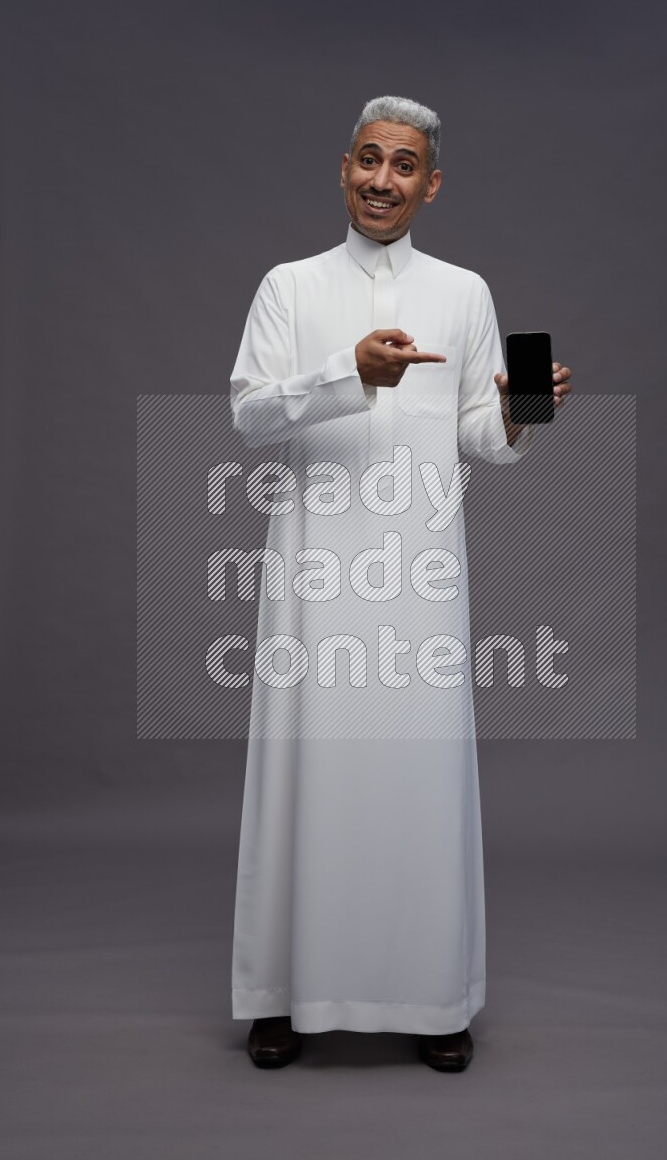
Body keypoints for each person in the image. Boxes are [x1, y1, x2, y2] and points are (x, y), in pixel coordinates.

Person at [229, 95, 572, 1072]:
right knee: (303, 771)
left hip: (419, 573)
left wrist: (515, 416)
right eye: (369, 160)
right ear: (343, 168)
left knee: (417, 779)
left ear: (430, 183)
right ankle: (282, 995)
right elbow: (251, 414)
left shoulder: (462, 294)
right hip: (313, 566)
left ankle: (431, 999)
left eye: (404, 166)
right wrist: (349, 374)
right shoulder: (288, 288)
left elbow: (478, 436)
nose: (383, 180)